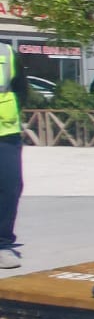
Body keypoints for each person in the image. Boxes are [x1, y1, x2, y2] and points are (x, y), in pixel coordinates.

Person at [0, 42, 27, 270]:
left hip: (6, 132)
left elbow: (21, 89)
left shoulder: (6, 53)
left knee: (10, 187)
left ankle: (2, 244)